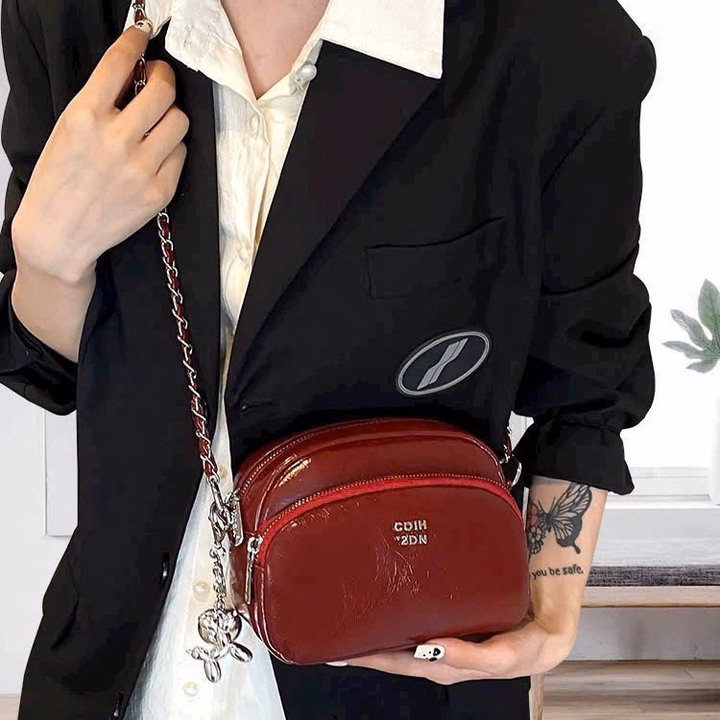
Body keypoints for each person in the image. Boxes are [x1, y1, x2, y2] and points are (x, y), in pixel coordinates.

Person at [0, 0, 658, 718]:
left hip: (399, 675)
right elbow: (59, 367)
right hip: (117, 672)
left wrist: (551, 614)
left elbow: (584, 388)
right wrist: (47, 259)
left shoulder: (562, 43)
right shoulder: (66, 14)